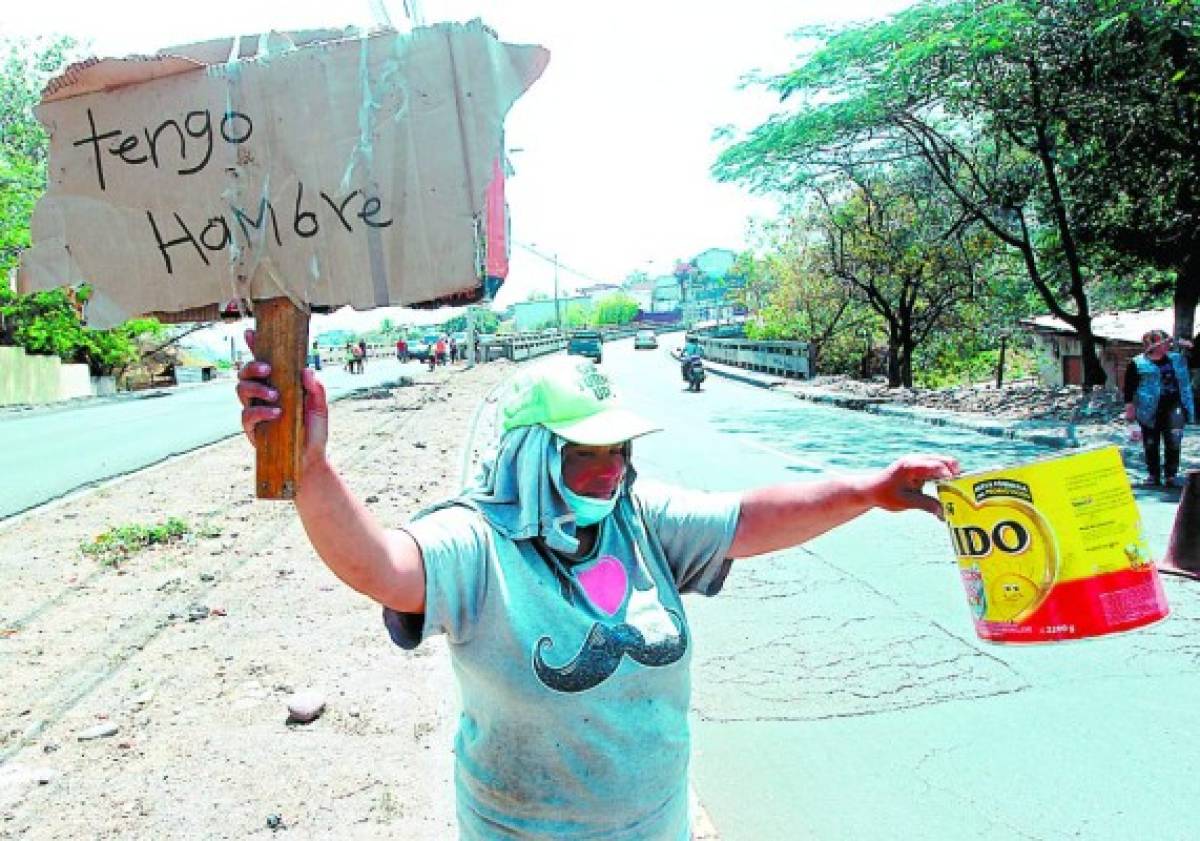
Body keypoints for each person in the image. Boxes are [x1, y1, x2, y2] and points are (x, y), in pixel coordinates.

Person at [236, 348, 958, 840]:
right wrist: (311, 466)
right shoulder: (478, 542)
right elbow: (381, 565)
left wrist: (867, 490)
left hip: (657, 822)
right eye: (585, 451)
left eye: (618, 448)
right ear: (531, 454)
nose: (611, 469)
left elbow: (748, 518)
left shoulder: (638, 518)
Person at [1123, 329, 1196, 487]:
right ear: (1154, 346)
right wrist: (1130, 408)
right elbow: (1129, 387)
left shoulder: (1177, 359)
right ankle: (1153, 475)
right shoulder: (1137, 363)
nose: (1168, 345)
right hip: (1148, 408)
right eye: (1164, 343)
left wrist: (1191, 347)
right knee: (1151, 442)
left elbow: (1197, 360)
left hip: (1174, 406)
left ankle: (1171, 475)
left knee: (1174, 441)